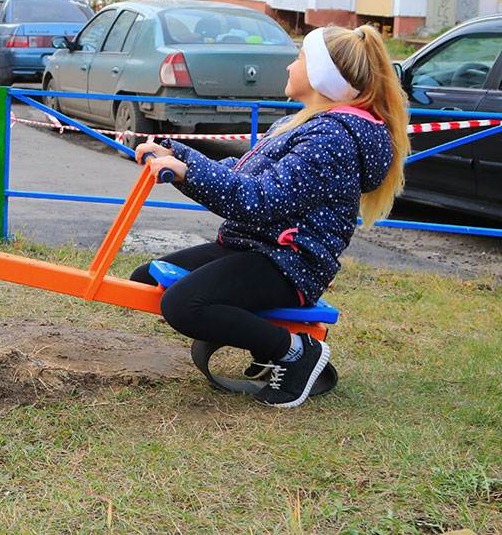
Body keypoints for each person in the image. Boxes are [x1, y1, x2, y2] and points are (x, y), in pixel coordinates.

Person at [131, 25, 409, 407]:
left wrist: (187, 172)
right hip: (255, 245)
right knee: (146, 279)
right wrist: (178, 155)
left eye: (299, 59)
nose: (289, 67)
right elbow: (244, 172)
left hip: (289, 261)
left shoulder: (330, 140)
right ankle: (264, 344)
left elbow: (261, 199)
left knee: (182, 305)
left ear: (320, 76)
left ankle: (295, 351)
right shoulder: (304, 122)